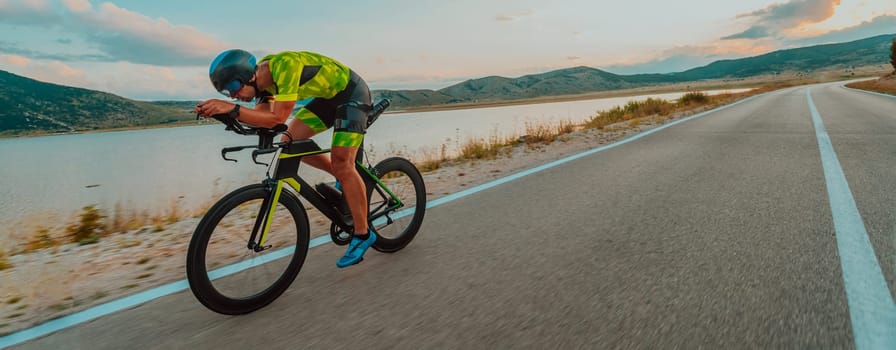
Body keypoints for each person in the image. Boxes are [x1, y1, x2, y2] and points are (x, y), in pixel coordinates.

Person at [194, 49, 375, 268]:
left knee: (343, 163)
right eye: (226, 93)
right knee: (289, 139)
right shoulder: (261, 84)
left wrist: (231, 108)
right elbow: (262, 119)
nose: (233, 96)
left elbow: (277, 117)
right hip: (327, 99)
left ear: (248, 76)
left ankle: (363, 234)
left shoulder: (284, 67)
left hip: (351, 94)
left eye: (232, 87)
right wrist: (223, 113)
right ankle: (343, 177)